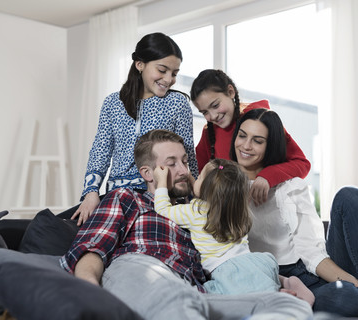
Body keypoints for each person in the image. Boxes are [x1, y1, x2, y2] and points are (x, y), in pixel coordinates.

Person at [60, 129, 313, 320]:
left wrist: (282, 282)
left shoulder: (204, 205)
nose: (183, 170)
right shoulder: (127, 198)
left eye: (185, 161)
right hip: (144, 267)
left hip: (199, 290)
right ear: (149, 173)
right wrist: (91, 294)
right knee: (176, 303)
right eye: (172, 164)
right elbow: (92, 247)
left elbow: (232, 259)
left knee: (292, 306)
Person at [229, 108, 358, 320]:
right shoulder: (223, 187)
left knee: (351, 196)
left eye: (257, 141)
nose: (246, 145)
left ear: (270, 146)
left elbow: (311, 254)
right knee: (349, 298)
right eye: (242, 135)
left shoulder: (290, 186)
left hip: (309, 271)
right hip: (274, 280)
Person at [72, 32, 198, 226]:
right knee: (60, 224)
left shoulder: (177, 103)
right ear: (140, 64)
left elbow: (187, 153)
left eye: (174, 73)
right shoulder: (113, 103)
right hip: (119, 197)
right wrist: (91, 192)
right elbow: (101, 150)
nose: (169, 79)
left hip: (160, 195)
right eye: (162, 70)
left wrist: (194, 198)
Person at [153, 158, 314, 305]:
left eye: (199, 176)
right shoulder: (236, 210)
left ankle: (280, 297)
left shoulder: (195, 211)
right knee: (261, 289)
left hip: (226, 272)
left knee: (228, 302)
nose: (194, 176)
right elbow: (205, 191)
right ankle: (284, 287)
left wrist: (161, 183)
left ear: (206, 188)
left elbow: (162, 209)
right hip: (255, 263)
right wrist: (193, 180)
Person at [190, 69, 310, 206]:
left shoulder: (261, 122)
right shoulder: (209, 131)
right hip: (227, 213)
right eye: (204, 112)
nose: (212, 116)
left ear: (230, 92)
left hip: (264, 208)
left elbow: (301, 163)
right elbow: (199, 174)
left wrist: (267, 177)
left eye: (216, 105)